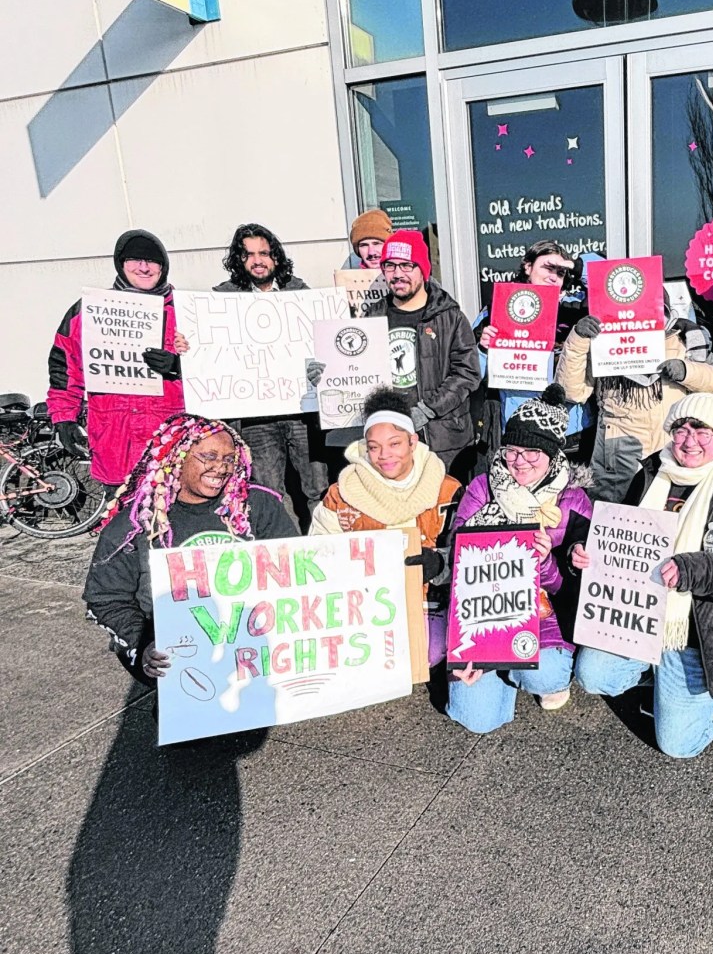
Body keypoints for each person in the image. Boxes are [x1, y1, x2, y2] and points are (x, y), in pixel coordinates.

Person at [572, 394, 713, 759]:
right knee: (593, 674)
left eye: (702, 432)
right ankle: (653, 673)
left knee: (678, 745)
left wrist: (695, 568)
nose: (688, 441)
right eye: (680, 430)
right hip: (637, 618)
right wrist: (587, 553)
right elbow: (621, 537)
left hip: (699, 636)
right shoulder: (650, 474)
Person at [83, 414, 298, 686]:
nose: (221, 468)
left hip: (250, 643)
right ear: (177, 457)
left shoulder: (258, 506)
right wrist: (143, 643)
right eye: (208, 456)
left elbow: (293, 571)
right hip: (173, 652)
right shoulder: (136, 523)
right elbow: (106, 598)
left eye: (229, 459)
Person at [446, 385, 593, 734]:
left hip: (544, 610)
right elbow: (458, 554)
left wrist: (544, 563)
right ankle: (499, 667)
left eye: (532, 453)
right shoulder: (483, 487)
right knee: (476, 718)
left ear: (553, 455)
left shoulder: (572, 500)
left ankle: (525, 671)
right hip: (482, 610)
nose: (520, 462)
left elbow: (572, 589)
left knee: (546, 674)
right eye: (512, 451)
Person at [310, 386, 462, 671]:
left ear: (412, 442)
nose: (384, 455)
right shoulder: (342, 493)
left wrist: (438, 562)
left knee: (426, 652)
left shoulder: (447, 490)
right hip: (365, 604)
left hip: (428, 599)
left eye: (395, 443)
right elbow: (317, 550)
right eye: (374, 446)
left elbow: (467, 558)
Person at [201, 222, 328, 521]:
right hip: (256, 415)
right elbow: (208, 347)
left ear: (276, 257)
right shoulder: (222, 299)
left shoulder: (301, 293)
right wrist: (189, 343)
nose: (258, 260)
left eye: (264, 253)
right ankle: (286, 551)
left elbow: (323, 341)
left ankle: (325, 547)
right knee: (269, 492)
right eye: (249, 254)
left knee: (317, 489)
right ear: (239, 259)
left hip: (302, 411)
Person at [557, 288, 713, 502]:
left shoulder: (682, 339)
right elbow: (572, 391)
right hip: (616, 458)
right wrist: (578, 338)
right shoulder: (602, 342)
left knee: (662, 521)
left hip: (668, 453)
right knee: (611, 522)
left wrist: (687, 371)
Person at [48, 230, 185, 491]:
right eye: (134, 259)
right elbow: (64, 369)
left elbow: (216, 368)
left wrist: (179, 368)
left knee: (180, 527)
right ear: (121, 264)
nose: (144, 267)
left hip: (174, 447)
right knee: (123, 527)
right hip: (115, 445)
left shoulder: (186, 310)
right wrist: (64, 419)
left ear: (163, 266)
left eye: (152, 261)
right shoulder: (88, 311)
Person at [363, 230, 481, 481]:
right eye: (390, 266)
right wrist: (327, 372)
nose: (397, 274)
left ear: (423, 269)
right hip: (390, 441)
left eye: (407, 265)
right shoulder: (372, 317)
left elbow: (467, 373)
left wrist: (427, 410)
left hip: (444, 439)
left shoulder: (449, 317)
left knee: (446, 511)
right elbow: (357, 368)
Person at [474, 240, 595, 465]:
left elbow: (606, 277)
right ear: (528, 267)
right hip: (520, 427)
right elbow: (472, 374)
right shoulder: (498, 309)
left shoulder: (574, 308)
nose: (553, 277)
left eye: (560, 273)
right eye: (548, 268)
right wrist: (482, 349)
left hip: (570, 431)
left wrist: (576, 266)